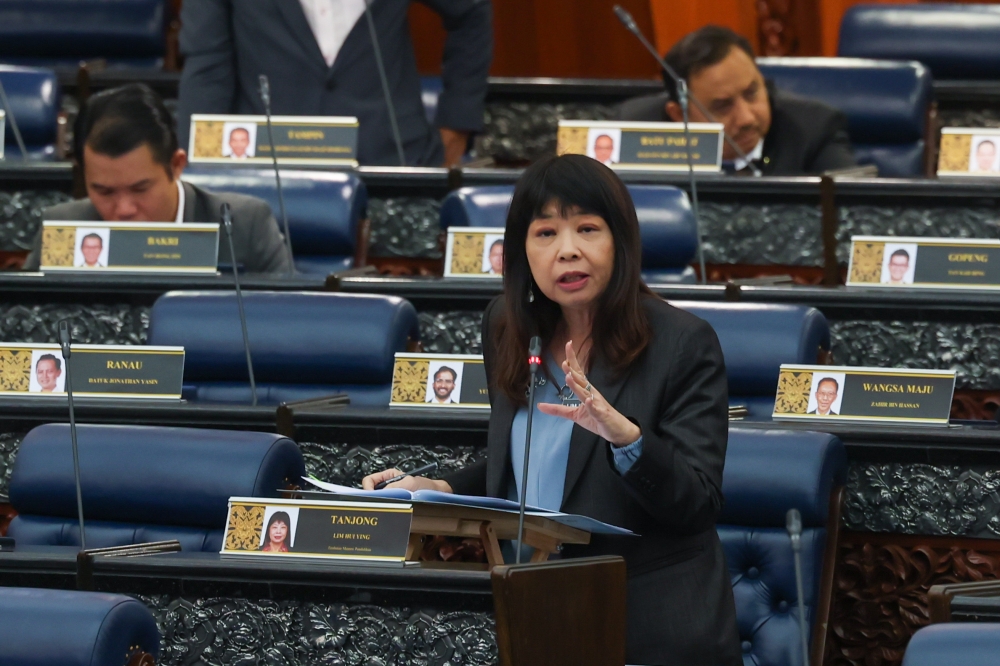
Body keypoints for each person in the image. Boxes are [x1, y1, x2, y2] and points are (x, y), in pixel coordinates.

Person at [365, 154, 741, 664]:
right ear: (521, 250)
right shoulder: (507, 326)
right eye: (545, 233)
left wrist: (627, 439)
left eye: (587, 229)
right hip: (530, 609)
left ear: (621, 241)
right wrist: (439, 489)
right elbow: (532, 459)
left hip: (643, 622)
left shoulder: (681, 343)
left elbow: (697, 503)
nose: (567, 251)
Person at [176, 0, 493, 168]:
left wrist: (457, 123)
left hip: (392, 160)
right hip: (269, 168)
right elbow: (207, 68)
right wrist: (196, 172)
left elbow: (472, 10)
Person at [23, 85, 291, 274]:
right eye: (104, 191)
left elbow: (290, 322)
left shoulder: (244, 226)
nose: (124, 210)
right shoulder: (63, 231)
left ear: (176, 166)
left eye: (140, 189)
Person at [619, 26, 856, 176]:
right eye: (722, 106)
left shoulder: (815, 130)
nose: (746, 118)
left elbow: (858, 214)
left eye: (751, 93)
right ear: (680, 115)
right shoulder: (633, 135)